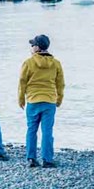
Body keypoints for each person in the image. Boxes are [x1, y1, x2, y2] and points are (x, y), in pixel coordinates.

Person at [18, 34, 64, 168]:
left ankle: (31, 158)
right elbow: (60, 83)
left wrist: (21, 99)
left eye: (32, 45)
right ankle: (47, 159)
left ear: (37, 47)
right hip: (49, 101)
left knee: (31, 129)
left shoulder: (28, 63)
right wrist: (59, 99)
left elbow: (22, 82)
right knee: (47, 131)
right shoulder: (56, 63)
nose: (31, 47)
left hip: (33, 101)